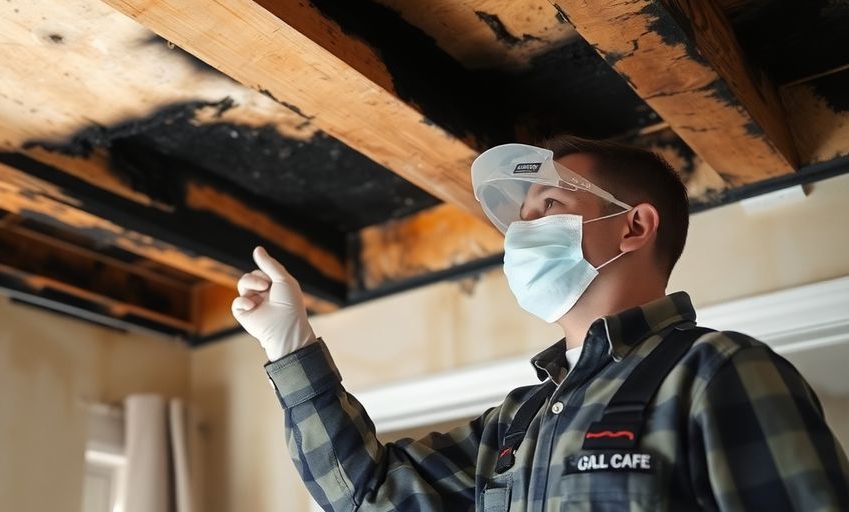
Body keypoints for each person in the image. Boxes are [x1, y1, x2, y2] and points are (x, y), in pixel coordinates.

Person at [231, 135, 849, 511]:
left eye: (549, 205)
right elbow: (372, 497)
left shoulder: (715, 373)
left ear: (633, 226)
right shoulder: (520, 418)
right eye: (521, 219)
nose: (524, 233)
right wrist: (291, 345)